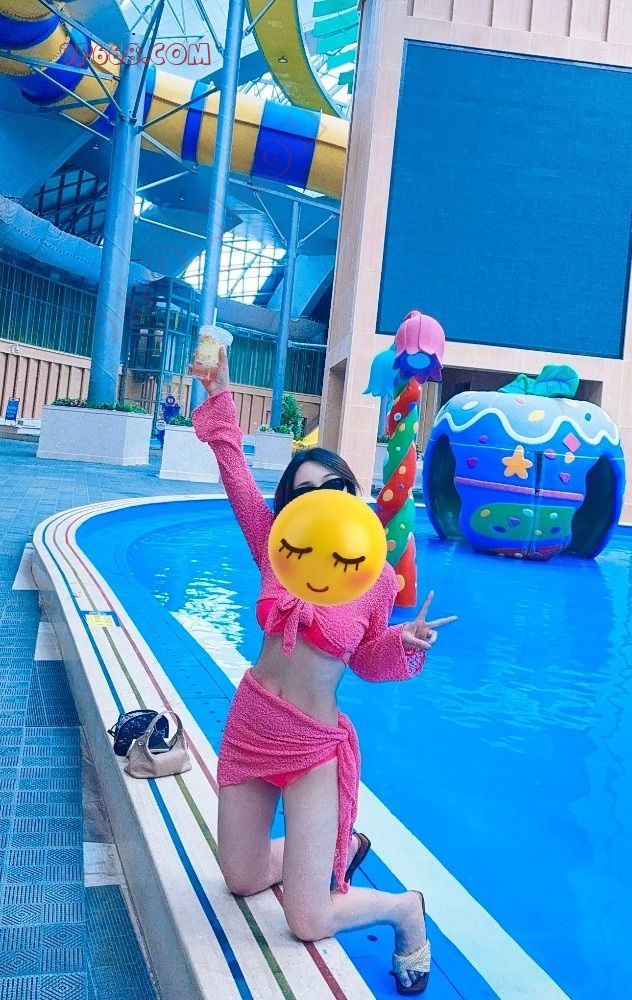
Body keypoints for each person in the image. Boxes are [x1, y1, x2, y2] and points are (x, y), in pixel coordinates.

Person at [189, 348, 457, 996]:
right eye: (304, 493)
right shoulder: (275, 550)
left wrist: (402, 639)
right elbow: (235, 473)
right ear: (290, 507)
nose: (320, 501)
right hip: (252, 726)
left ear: (350, 495)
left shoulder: (376, 578)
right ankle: (339, 848)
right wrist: (219, 391)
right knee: (241, 878)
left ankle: (404, 909)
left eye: (332, 489)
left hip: (312, 747)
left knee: (307, 920)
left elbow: (364, 658)